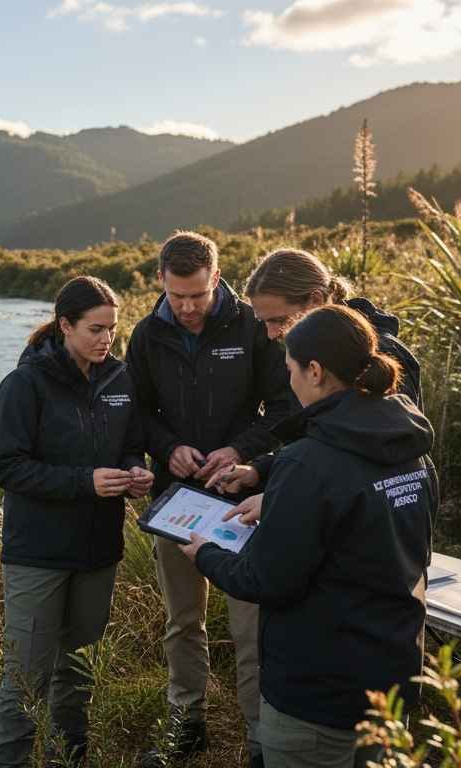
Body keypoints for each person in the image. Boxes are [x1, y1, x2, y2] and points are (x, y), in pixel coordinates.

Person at [179, 304, 438, 768]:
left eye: (290, 370)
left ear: (315, 371)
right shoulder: (411, 450)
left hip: (318, 694)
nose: (288, 383)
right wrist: (267, 477)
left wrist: (206, 554)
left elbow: (266, 580)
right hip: (392, 678)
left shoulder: (308, 465)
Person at [125, 231, 292, 766]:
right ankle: (186, 723)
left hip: (242, 497)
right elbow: (136, 415)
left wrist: (239, 449)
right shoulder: (146, 335)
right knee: (182, 622)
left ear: (216, 278)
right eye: (177, 296)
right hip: (178, 502)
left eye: (197, 294)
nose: (188, 307)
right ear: (161, 283)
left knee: (251, 625)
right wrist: (166, 447)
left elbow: (286, 407)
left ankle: (259, 738)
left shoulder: (251, 326)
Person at [0, 275, 153, 768]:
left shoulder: (121, 378)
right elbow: (9, 468)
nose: (106, 339)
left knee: (77, 671)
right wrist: (86, 482)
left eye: (112, 329)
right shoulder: (24, 384)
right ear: (65, 325)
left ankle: (68, 758)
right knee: (25, 681)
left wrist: (137, 470)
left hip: (99, 551)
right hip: (37, 555)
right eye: (95, 329)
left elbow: (130, 443)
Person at [210, 248, 422, 525]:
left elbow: (373, 461)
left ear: (317, 300)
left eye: (278, 320)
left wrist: (281, 498)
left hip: (380, 533)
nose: (272, 334)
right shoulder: (309, 353)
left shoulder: (377, 356)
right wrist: (260, 471)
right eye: (264, 323)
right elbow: (322, 443)